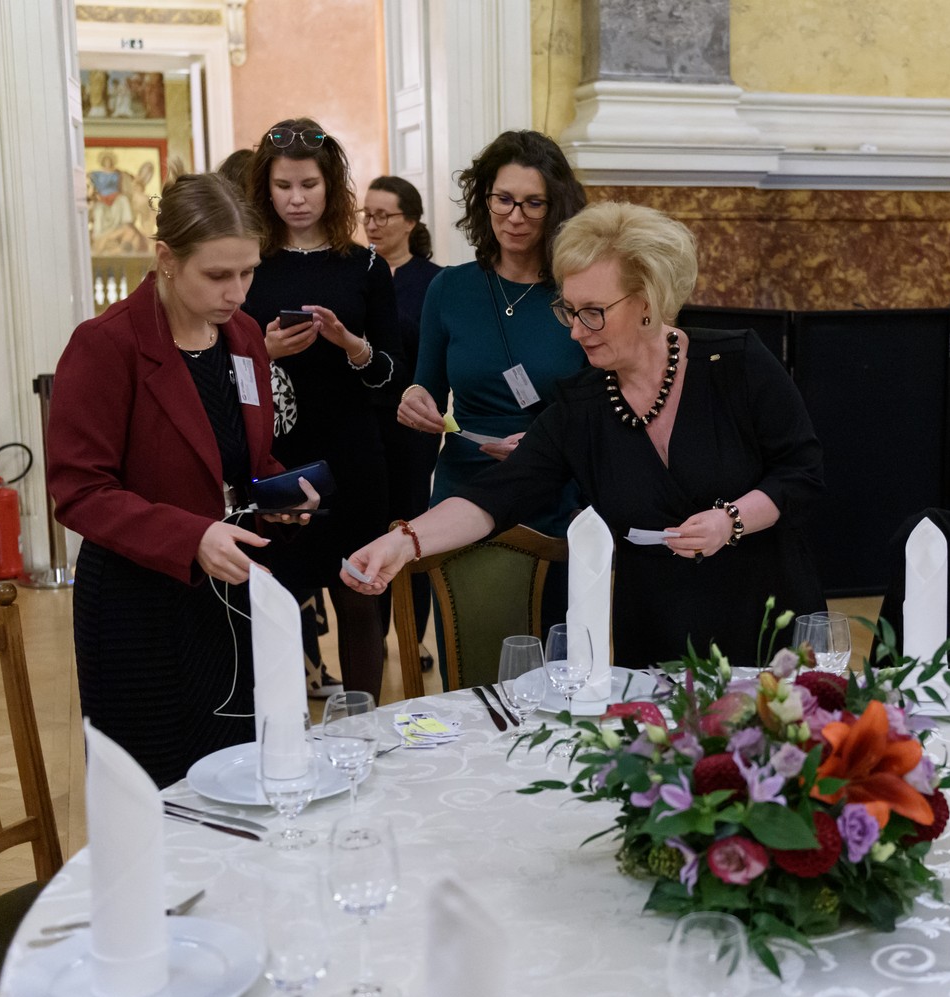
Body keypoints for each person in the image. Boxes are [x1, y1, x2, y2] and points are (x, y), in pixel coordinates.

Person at [345, 203, 826, 668]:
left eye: (593, 312)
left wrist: (730, 520)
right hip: (656, 631)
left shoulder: (737, 364)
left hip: (768, 623)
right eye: (569, 311)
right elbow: (496, 494)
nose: (576, 332)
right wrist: (402, 543)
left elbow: (801, 473)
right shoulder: (582, 408)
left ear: (647, 302)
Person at [47, 172, 316, 787]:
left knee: (240, 774)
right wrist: (190, 536)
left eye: (248, 272)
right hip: (139, 606)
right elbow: (79, 490)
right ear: (167, 258)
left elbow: (244, 458)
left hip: (229, 595)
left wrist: (282, 492)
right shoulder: (107, 345)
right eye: (217, 275)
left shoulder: (243, 337)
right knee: (157, 788)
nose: (237, 292)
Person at [241, 117, 401, 699]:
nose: (297, 198)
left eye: (309, 184)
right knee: (277, 601)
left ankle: (366, 727)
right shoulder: (249, 265)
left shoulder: (364, 266)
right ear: (265, 190)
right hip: (277, 456)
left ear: (331, 186)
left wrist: (352, 345)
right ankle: (282, 733)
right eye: (283, 186)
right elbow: (217, 373)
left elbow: (391, 377)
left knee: (360, 595)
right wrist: (263, 351)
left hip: (355, 454)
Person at [395, 130, 587, 533]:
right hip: (461, 489)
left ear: (556, 209)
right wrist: (414, 398)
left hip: (551, 490)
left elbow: (604, 408)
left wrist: (546, 444)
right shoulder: (449, 288)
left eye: (534, 203)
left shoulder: (579, 293)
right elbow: (426, 388)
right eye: (504, 199)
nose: (515, 217)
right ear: (485, 200)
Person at [362, 176, 441, 670]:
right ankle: (372, 637)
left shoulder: (433, 280)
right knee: (368, 527)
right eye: (366, 215)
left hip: (411, 425)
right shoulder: (357, 270)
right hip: (362, 423)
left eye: (383, 215)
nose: (372, 224)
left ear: (410, 221)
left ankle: (414, 636)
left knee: (412, 527)